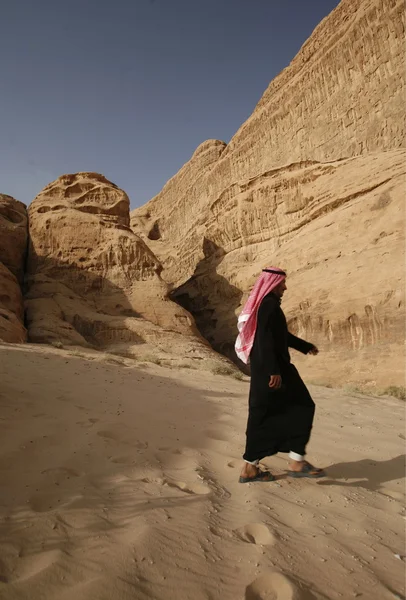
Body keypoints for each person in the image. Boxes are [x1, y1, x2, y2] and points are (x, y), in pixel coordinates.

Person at [235, 267, 325, 482]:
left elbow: (279, 335)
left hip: (268, 368)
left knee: (264, 413)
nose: (285, 287)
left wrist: (305, 346)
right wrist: (273, 370)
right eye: (282, 283)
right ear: (273, 284)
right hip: (273, 369)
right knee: (302, 405)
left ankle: (251, 468)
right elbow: (264, 339)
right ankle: (295, 461)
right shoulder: (268, 305)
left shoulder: (269, 305)